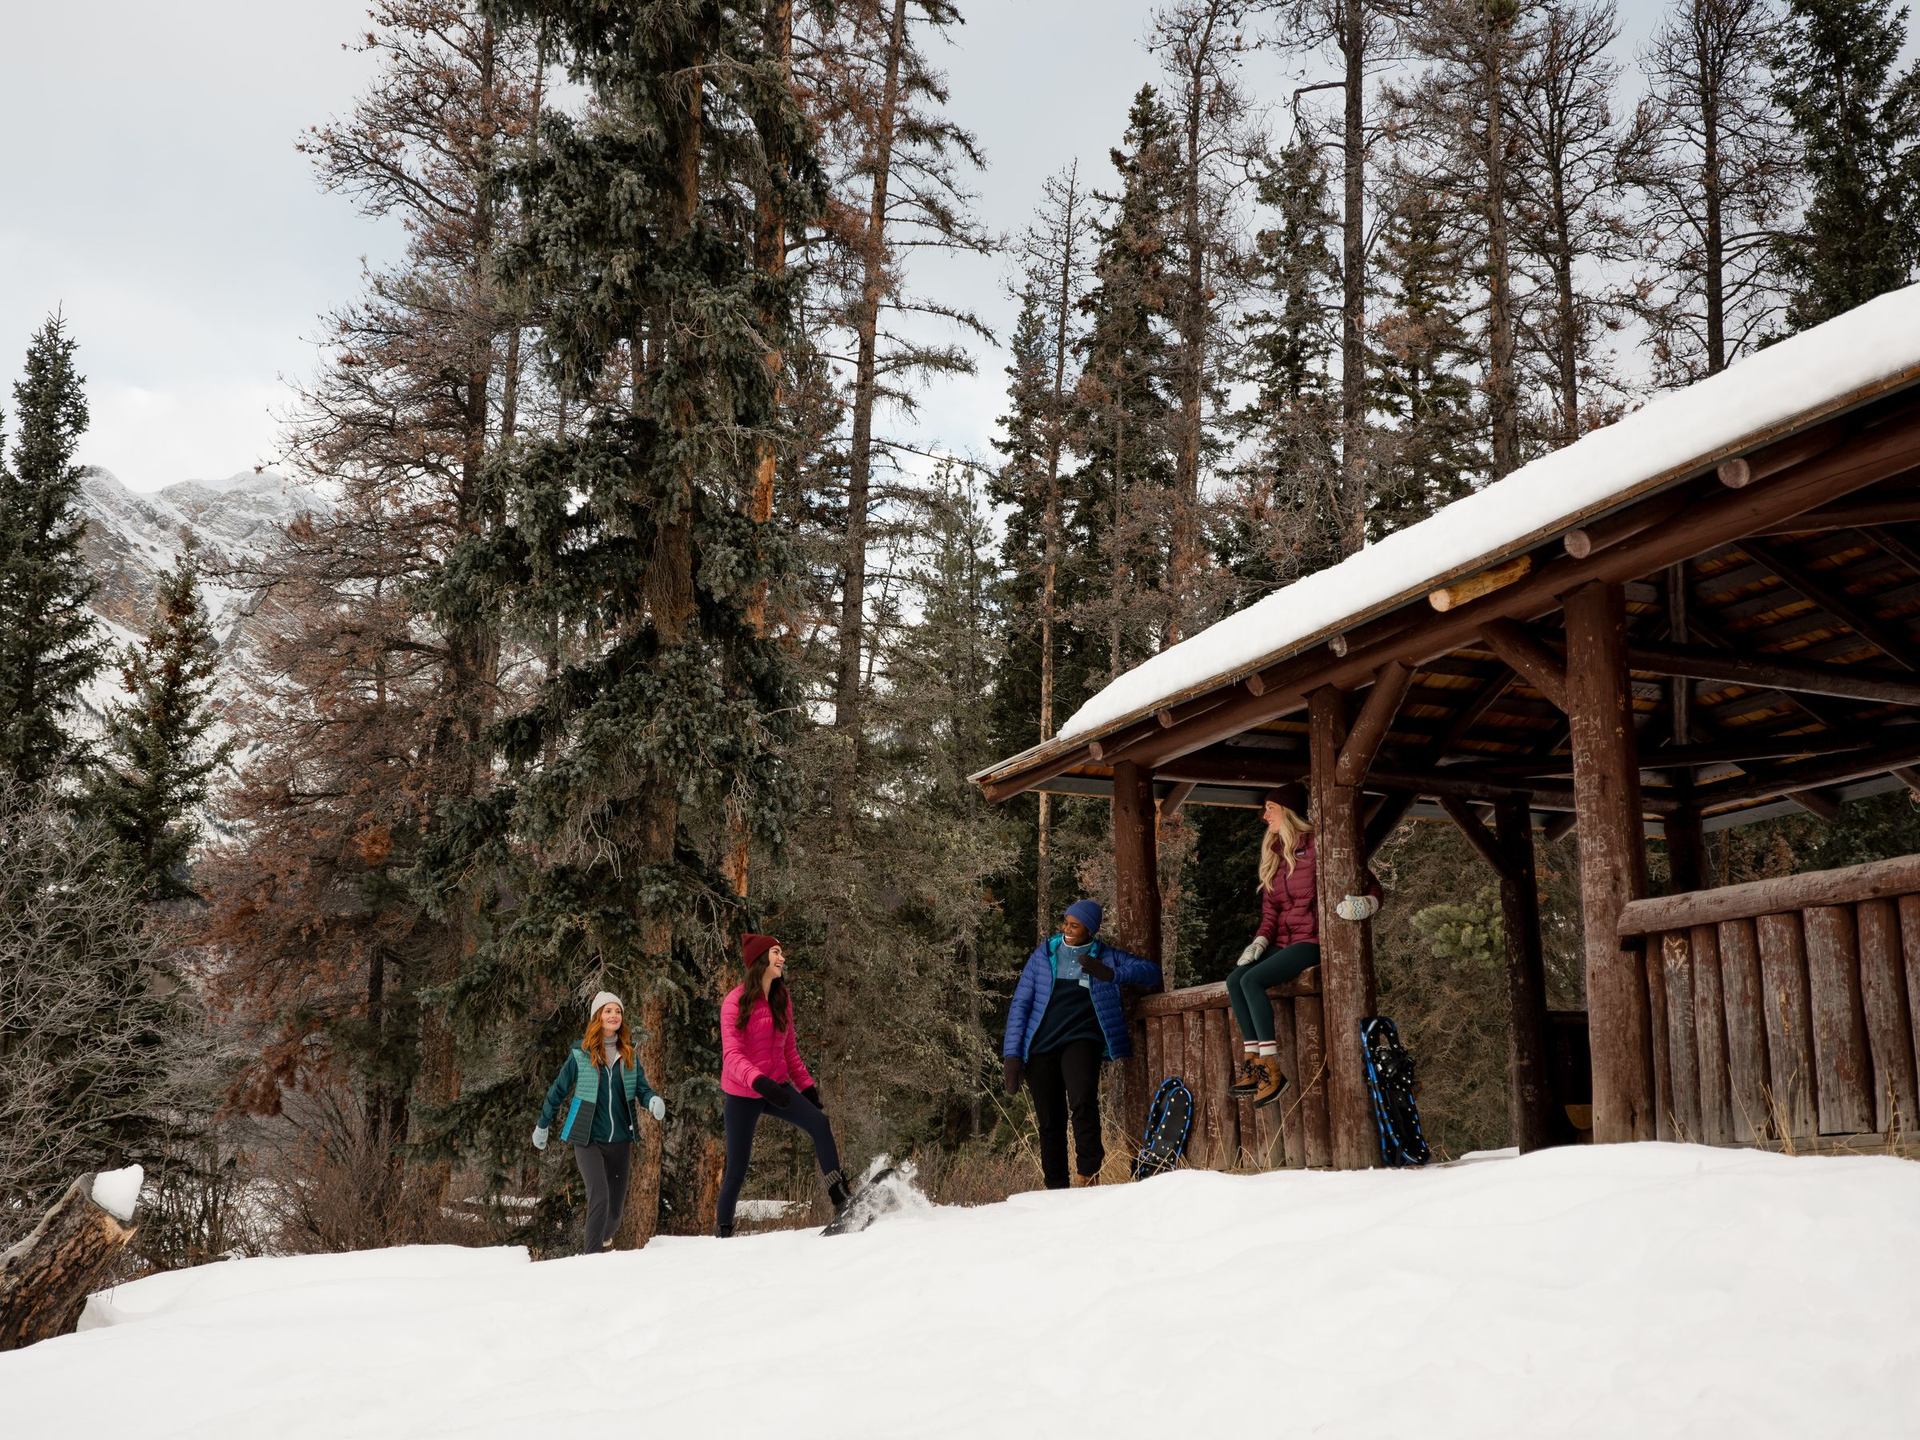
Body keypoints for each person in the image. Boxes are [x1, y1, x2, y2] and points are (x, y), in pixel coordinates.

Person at [1225, 782, 1381, 1108]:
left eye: (1270, 808)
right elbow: (1270, 915)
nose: (1264, 815)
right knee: (1235, 979)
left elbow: (1371, 883)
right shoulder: (1275, 857)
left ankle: (1271, 1066)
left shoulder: (1318, 847)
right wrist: (1258, 942)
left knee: (1253, 980)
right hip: (1283, 943)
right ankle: (1253, 1058)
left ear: (1287, 811)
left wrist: (1366, 904)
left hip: (1313, 941)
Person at [1002, 898, 1162, 1190]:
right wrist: (1012, 1055)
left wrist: (1111, 973)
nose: (1067, 928)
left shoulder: (1106, 956)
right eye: (1066, 922)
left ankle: (1088, 1173)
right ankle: (1056, 1186)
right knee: (1050, 1119)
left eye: (1074, 925)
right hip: (1041, 1045)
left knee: (1082, 1102)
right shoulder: (1044, 954)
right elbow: (1021, 1004)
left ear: (1090, 928)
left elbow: (1151, 972)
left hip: (1081, 1039)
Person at [715, 933, 851, 1238]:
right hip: (743, 1093)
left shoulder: (781, 998)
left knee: (820, 1123)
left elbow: (789, 1051)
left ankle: (841, 1198)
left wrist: (807, 1088)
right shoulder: (734, 1001)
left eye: (782, 953)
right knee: (737, 1166)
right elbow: (732, 1055)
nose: (782, 958)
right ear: (761, 960)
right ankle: (723, 1231)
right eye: (777, 953)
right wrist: (758, 1081)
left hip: (777, 1086)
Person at [532, 990, 667, 1254]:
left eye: (617, 1011)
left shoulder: (629, 1055)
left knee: (615, 1213)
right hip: (587, 1137)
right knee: (600, 1198)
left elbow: (641, 1088)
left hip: (620, 1140)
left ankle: (602, 1245)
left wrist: (651, 1100)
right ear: (598, 1016)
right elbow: (557, 1091)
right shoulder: (580, 1055)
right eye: (608, 1011)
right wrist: (543, 1123)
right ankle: (590, 1261)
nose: (614, 1015)